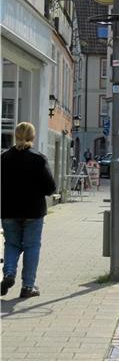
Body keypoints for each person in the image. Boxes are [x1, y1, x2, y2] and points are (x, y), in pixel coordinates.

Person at [1, 122, 57, 298]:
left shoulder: (4, 158)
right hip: (34, 211)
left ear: (15, 136)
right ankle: (28, 287)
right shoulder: (38, 158)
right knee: (32, 246)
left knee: (11, 244)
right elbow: (50, 187)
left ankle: (9, 273)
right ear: (33, 137)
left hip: (8, 210)